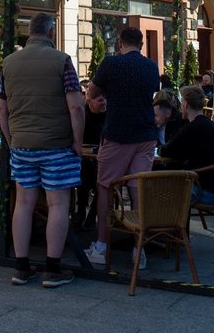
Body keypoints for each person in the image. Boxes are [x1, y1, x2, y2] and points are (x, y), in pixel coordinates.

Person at [0, 12, 83, 289]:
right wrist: (78, 141)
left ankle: (21, 267)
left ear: (30, 32)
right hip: (57, 144)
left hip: (22, 143)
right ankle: (52, 268)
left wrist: (11, 138)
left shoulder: (8, 63)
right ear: (51, 32)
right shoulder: (62, 61)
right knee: (58, 204)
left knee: (23, 203)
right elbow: (76, 106)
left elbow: (1, 107)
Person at [84, 27, 160, 269]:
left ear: (120, 42)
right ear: (141, 44)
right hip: (146, 135)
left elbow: (92, 92)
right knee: (137, 190)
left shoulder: (111, 64)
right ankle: (139, 249)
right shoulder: (151, 66)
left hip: (117, 134)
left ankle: (101, 245)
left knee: (105, 187)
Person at [160, 85, 214, 204]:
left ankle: (164, 220)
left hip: (206, 192)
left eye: (181, 102)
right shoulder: (210, 125)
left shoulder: (193, 128)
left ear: (186, 104)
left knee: (159, 186)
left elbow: (166, 151)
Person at [75, 90, 107, 230]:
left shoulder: (109, 116)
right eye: (100, 100)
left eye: (105, 99)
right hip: (85, 158)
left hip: (104, 159)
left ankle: (92, 213)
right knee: (85, 170)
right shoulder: (83, 115)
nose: (104, 103)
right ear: (89, 101)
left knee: (101, 176)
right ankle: (81, 211)